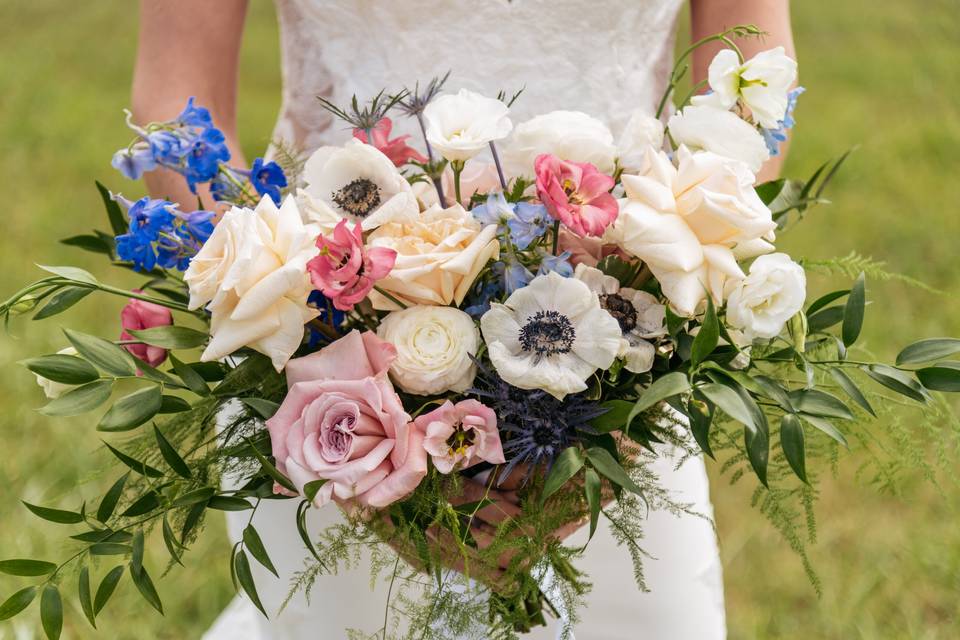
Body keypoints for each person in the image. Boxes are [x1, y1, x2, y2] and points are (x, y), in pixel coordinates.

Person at [133, 2, 796, 638]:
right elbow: (176, 102)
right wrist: (350, 409)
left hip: (631, 331)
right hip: (327, 345)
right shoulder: (330, 380)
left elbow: (756, 89)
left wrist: (624, 396)